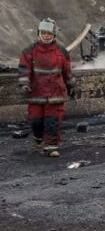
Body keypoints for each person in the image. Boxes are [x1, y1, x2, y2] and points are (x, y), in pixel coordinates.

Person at [18, 18, 76, 157]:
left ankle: (51, 147)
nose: (46, 35)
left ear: (54, 34)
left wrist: (71, 86)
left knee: (52, 121)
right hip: (36, 92)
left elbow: (67, 71)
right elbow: (24, 69)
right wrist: (24, 84)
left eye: (49, 33)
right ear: (39, 33)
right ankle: (38, 138)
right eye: (43, 32)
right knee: (36, 121)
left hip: (55, 93)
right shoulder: (29, 51)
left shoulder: (62, 51)